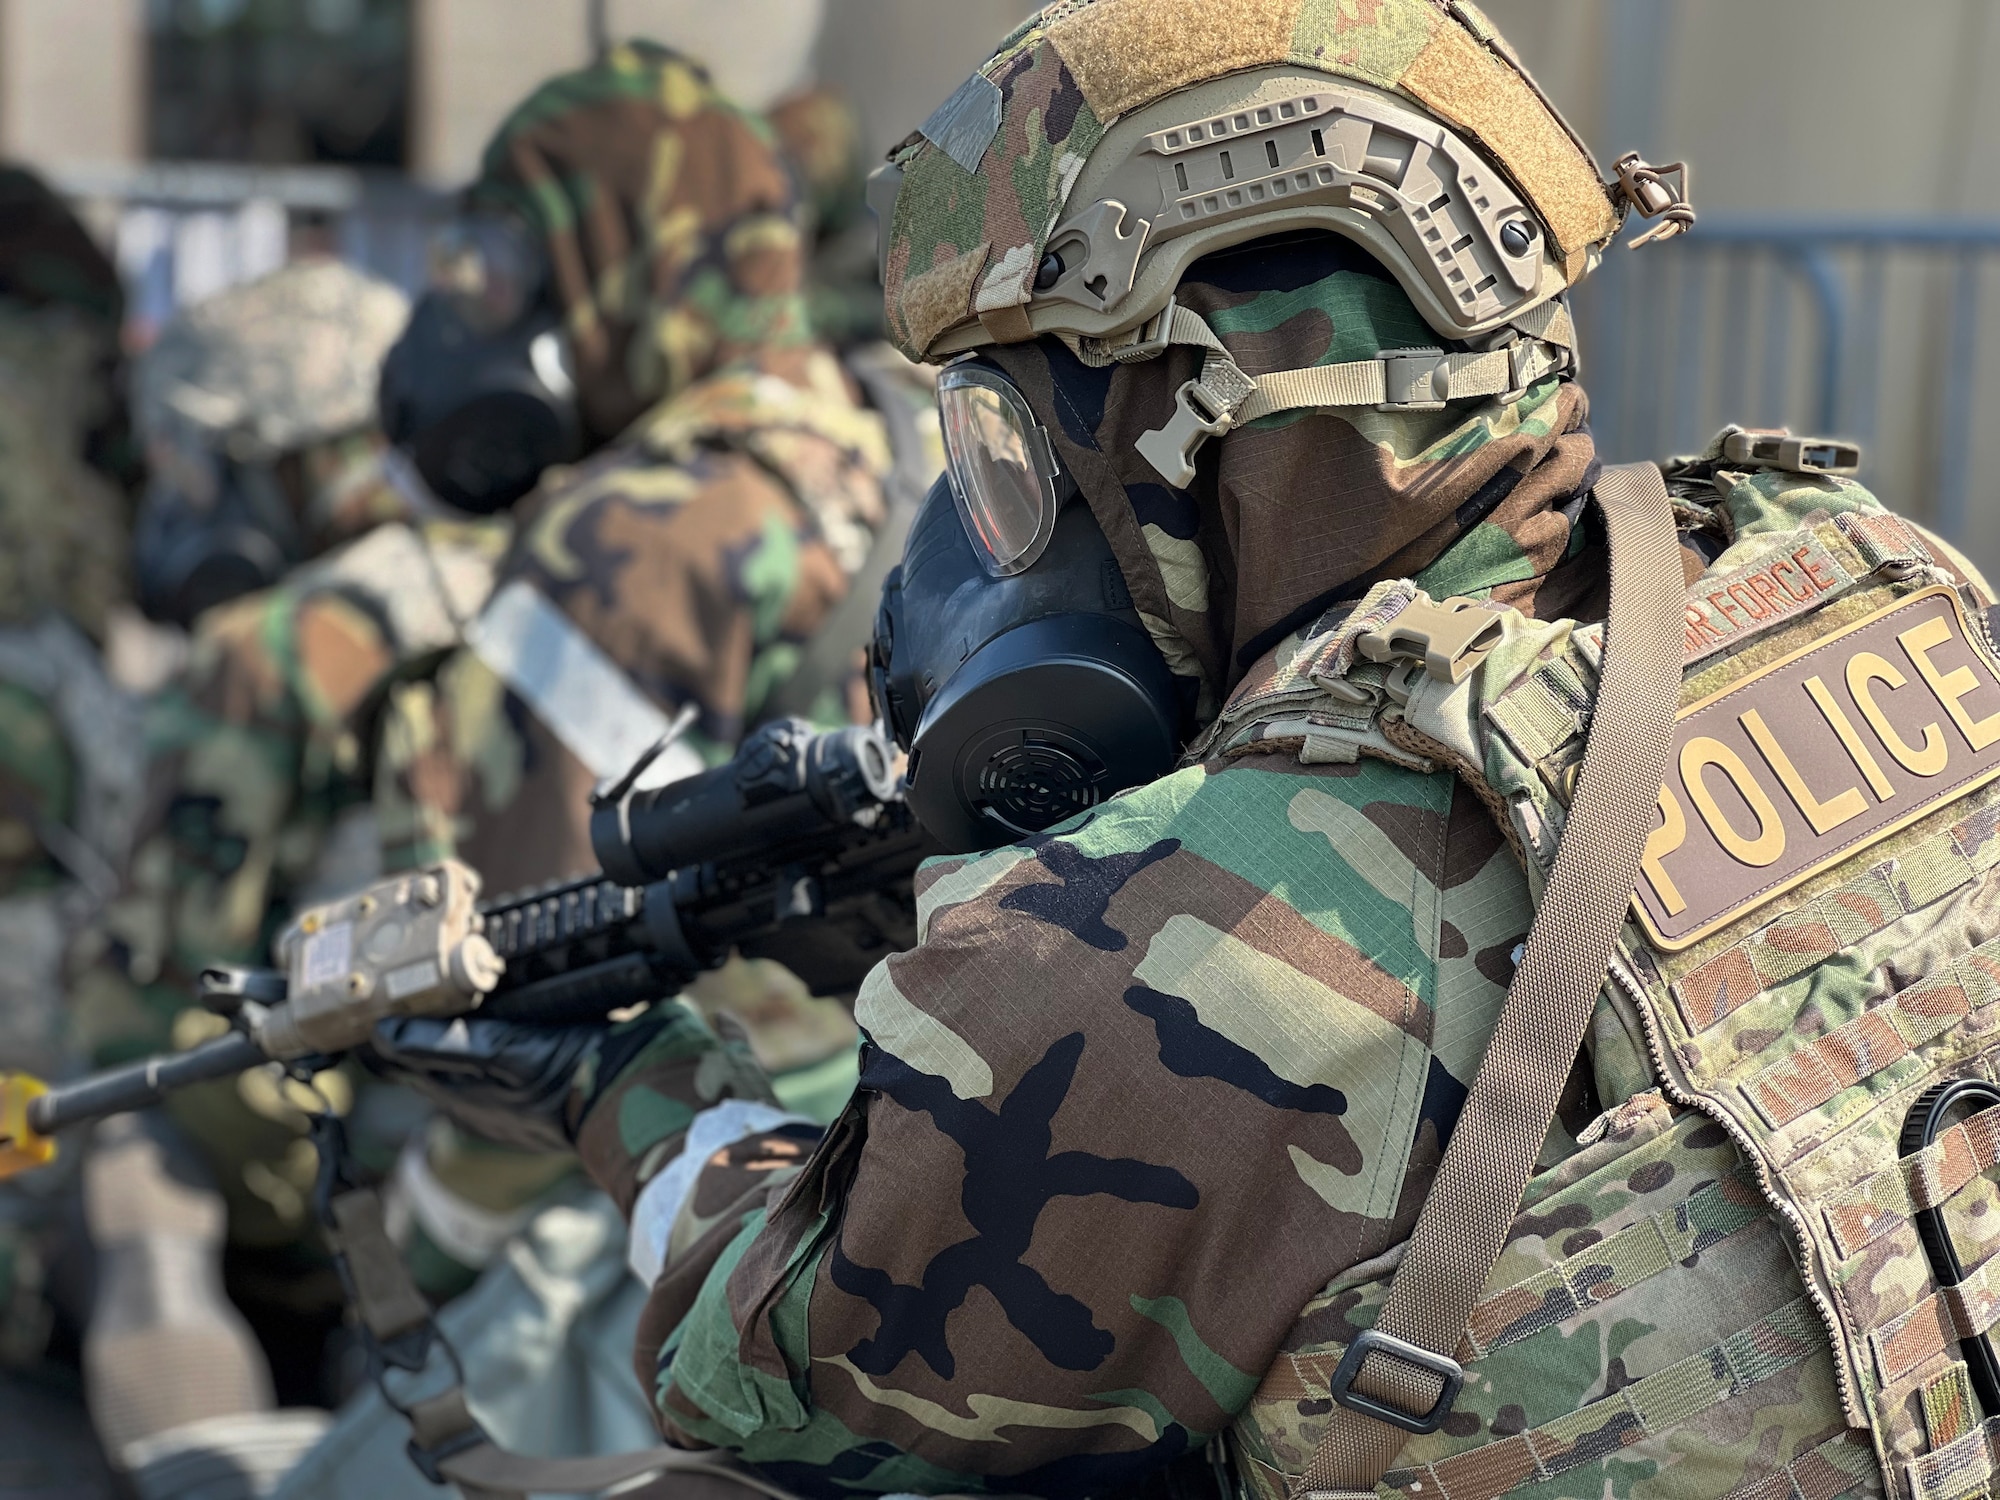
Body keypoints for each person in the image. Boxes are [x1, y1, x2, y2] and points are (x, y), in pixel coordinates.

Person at [367, 4, 2000, 1499]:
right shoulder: (1873, 581)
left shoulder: (1195, 952)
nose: (1000, 528)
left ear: (1209, 414)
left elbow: (779, 1380)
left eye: (1018, 437)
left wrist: (636, 1094)